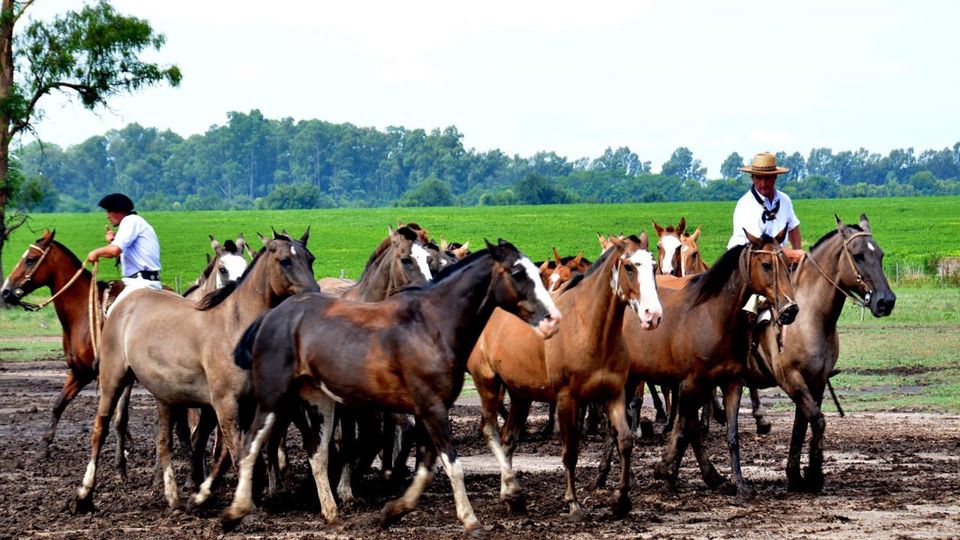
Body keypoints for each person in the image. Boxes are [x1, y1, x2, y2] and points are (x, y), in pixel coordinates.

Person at [86, 193, 162, 312]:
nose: (107, 216)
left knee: (113, 312)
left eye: (109, 211)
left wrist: (95, 253)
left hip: (141, 284)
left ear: (119, 210)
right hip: (139, 281)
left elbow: (114, 251)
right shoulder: (134, 222)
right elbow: (121, 249)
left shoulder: (130, 221)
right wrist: (114, 240)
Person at [727, 152, 804, 264]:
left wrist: (798, 254)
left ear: (775, 177)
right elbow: (761, 245)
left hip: (777, 258)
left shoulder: (784, 200)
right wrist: (792, 254)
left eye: (767, 178)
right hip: (747, 260)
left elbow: (793, 227)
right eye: (758, 178)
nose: (763, 184)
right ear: (752, 178)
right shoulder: (745, 204)